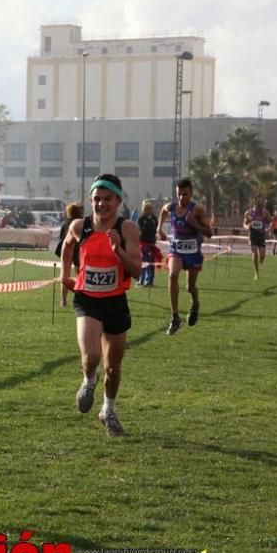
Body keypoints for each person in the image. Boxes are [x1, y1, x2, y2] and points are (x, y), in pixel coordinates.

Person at [59, 174, 141, 437]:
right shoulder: (79, 227)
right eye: (96, 199)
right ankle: (88, 379)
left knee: (113, 367)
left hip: (116, 302)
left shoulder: (127, 228)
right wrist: (64, 275)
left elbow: (137, 271)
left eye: (108, 199)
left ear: (118, 201)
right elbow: (67, 247)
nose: (101, 204)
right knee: (91, 356)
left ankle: (108, 411)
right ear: (90, 201)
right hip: (88, 299)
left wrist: (117, 249)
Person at [158, 179, 213, 336]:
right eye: (179, 194)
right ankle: (175, 317)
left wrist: (194, 223)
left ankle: (195, 304)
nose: (181, 198)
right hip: (176, 249)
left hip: (192, 251)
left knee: (190, 287)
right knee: (172, 275)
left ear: (191, 193)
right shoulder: (172, 207)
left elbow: (209, 233)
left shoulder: (198, 210)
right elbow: (163, 210)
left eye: (185, 194)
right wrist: (158, 229)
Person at [56, 202, 84, 307]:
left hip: (66, 252)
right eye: (81, 209)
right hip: (76, 251)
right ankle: (81, 296)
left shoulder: (65, 223)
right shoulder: (80, 223)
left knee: (65, 276)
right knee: (80, 274)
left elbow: (61, 238)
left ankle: (63, 300)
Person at [243, 197, 272, 279]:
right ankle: (256, 273)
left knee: (262, 256)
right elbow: (244, 224)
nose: (259, 203)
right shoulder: (249, 213)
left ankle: (261, 259)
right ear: (254, 203)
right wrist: (247, 227)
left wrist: (269, 230)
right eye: (257, 202)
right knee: (254, 252)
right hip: (253, 234)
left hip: (261, 235)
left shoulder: (264, 212)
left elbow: (271, 221)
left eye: (260, 202)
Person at [137, 200, 160, 287]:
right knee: (144, 262)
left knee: (151, 262)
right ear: (145, 210)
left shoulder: (154, 219)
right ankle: (141, 281)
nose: (151, 210)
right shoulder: (141, 219)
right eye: (148, 208)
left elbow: (156, 229)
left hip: (152, 243)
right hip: (144, 243)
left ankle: (150, 281)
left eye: (151, 208)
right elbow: (139, 230)